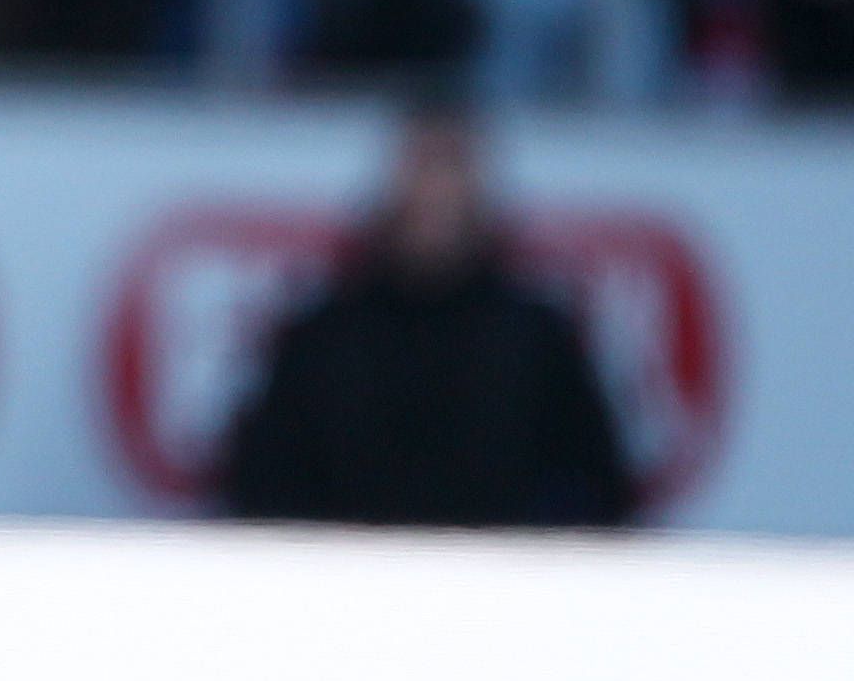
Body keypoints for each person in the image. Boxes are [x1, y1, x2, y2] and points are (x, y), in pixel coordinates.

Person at [219, 101, 636, 529]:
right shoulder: (321, 337)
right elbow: (260, 486)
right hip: (348, 584)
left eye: (452, 165)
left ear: (481, 187)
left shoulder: (538, 339)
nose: (437, 189)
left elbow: (597, 491)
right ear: (391, 184)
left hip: (504, 584)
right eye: (422, 165)